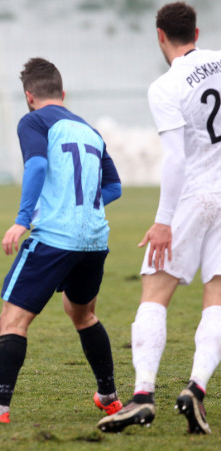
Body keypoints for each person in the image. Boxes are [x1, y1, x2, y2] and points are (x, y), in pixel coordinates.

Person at [0, 57, 123, 425]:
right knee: (83, 315)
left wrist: (22, 220)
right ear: (63, 93)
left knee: (12, 319)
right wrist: (79, 207)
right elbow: (114, 187)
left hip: (55, 237)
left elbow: (38, 165)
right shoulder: (91, 130)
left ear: (29, 96)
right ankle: (109, 397)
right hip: (95, 239)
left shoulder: (33, 121)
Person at [98, 2, 221, 435]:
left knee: (155, 292)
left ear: (160, 36)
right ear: (197, 32)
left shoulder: (165, 86)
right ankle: (196, 389)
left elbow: (175, 159)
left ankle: (143, 395)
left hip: (194, 196)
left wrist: (164, 220)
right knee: (217, 295)